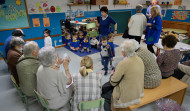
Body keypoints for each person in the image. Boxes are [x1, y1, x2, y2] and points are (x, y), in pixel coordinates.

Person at [110, 39, 144, 110]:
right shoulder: (139, 59)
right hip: (137, 92)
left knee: (108, 94)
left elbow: (113, 82)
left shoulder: (122, 64)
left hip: (126, 96)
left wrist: (112, 74)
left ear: (124, 52)